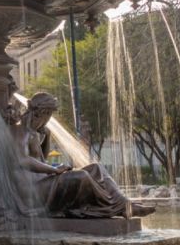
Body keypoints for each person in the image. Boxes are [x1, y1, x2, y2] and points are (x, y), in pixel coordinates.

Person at [11, 92, 154, 218]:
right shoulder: (21, 131)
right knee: (81, 176)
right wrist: (54, 170)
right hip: (32, 191)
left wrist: (46, 136)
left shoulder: (35, 132)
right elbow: (22, 160)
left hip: (44, 183)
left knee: (96, 168)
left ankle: (125, 204)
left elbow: (42, 157)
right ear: (44, 112)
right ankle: (120, 208)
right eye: (49, 115)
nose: (50, 119)